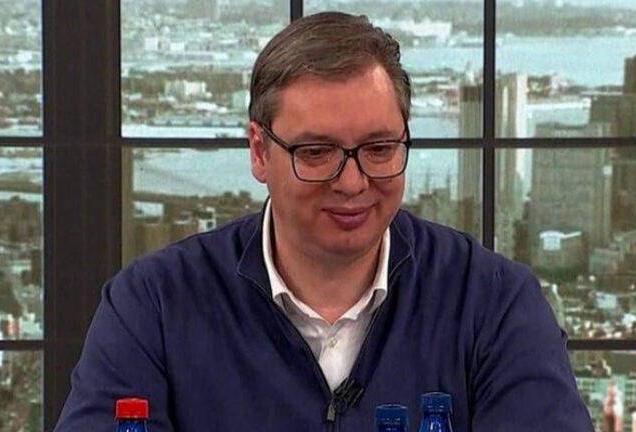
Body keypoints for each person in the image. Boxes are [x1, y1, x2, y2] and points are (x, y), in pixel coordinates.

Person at [55, 12, 593, 431]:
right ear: (259, 151)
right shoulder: (153, 305)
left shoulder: (493, 302)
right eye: (316, 153)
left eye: (379, 149)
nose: (353, 182)